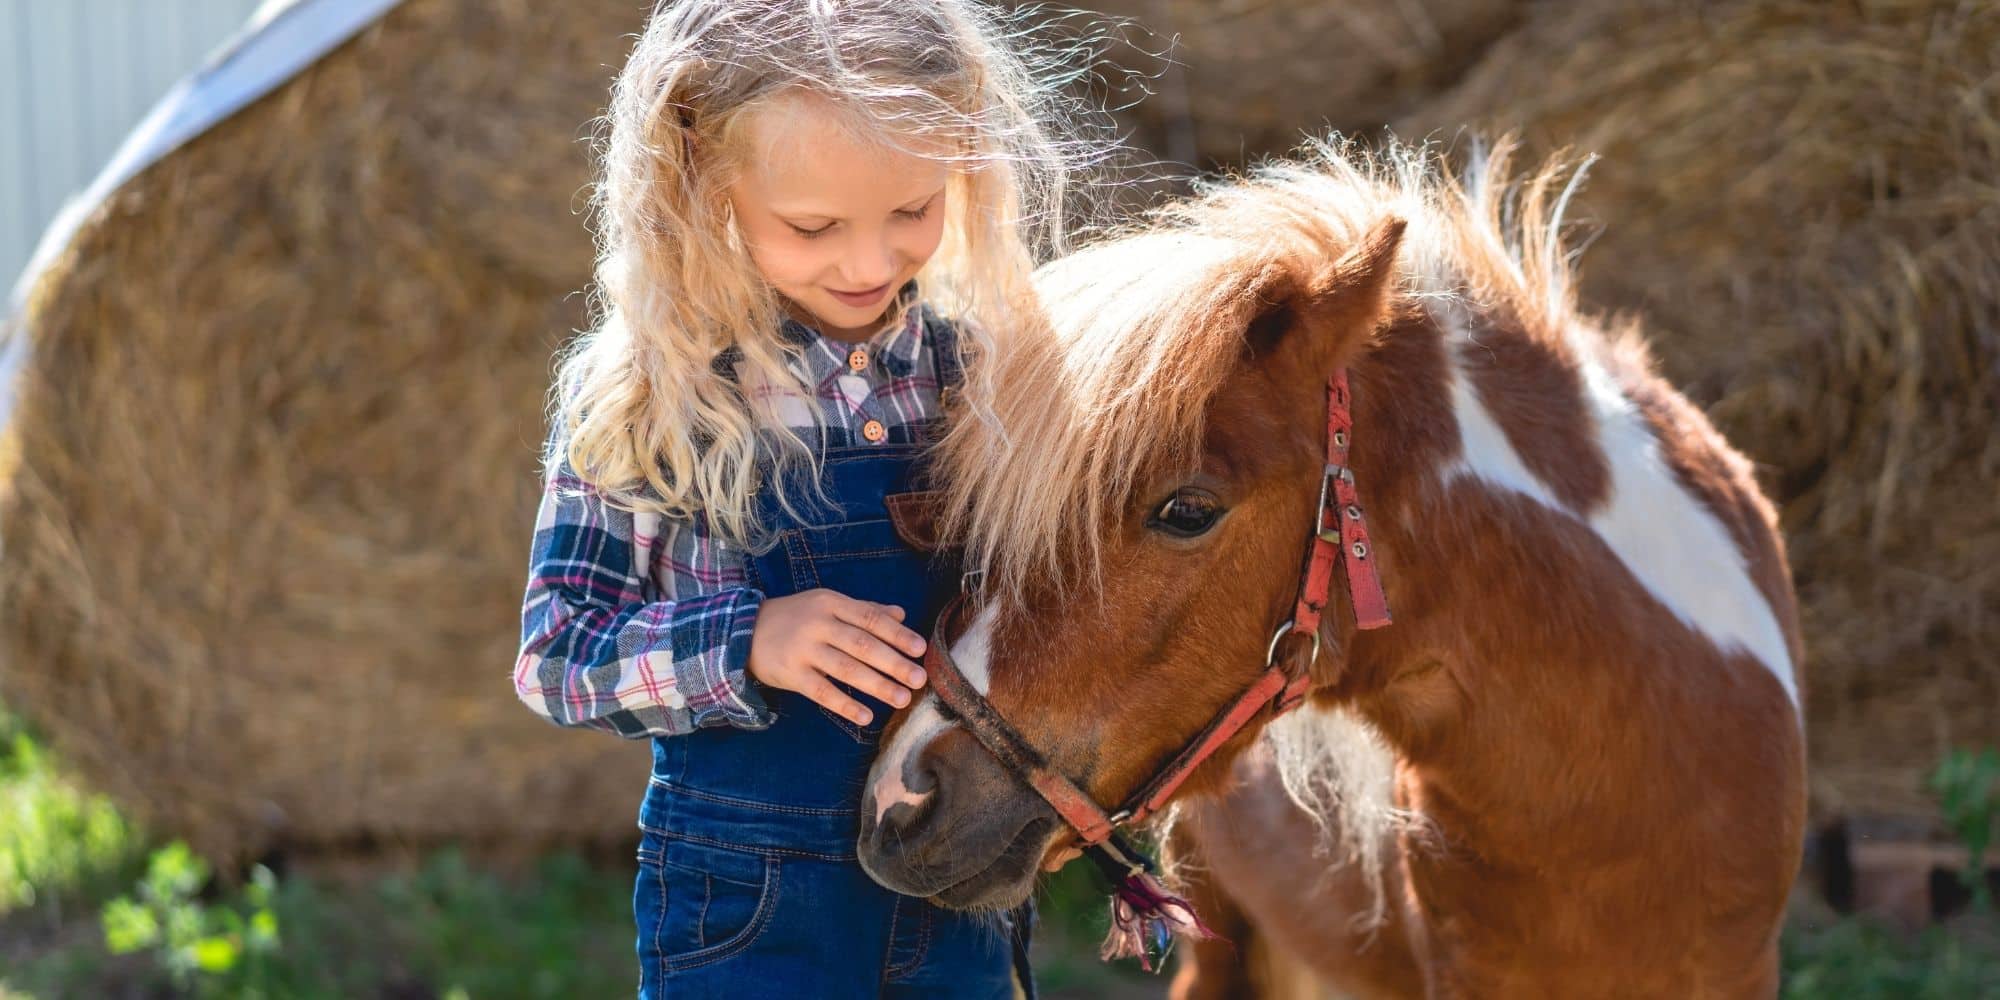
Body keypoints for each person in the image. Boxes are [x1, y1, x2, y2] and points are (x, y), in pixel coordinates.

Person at [512, 2, 1107, 995]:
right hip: (749, 909)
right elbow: (556, 655)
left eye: (913, 210)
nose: (869, 263)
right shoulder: (657, 394)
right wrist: (747, 640)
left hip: (954, 886)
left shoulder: (984, 378)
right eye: (814, 227)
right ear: (702, 185)